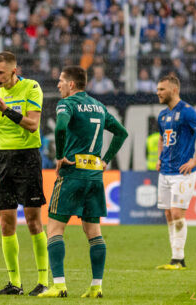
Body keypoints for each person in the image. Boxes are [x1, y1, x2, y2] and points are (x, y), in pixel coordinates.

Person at [38, 66, 128, 298]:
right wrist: (106, 160)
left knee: (55, 229)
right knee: (93, 231)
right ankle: (96, 286)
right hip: (94, 176)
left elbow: (59, 126)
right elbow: (121, 133)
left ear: (72, 84)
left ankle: (58, 285)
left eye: (61, 81)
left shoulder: (67, 104)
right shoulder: (98, 106)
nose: (58, 84)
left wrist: (59, 157)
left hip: (72, 173)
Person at [0, 51, 49, 296]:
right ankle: (15, 284)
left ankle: (43, 282)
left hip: (27, 157)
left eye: (0, 72)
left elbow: (33, 124)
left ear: (14, 71)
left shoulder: (32, 88)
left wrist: (7, 112)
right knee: (6, 223)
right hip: (3, 158)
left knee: (34, 220)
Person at [155, 74, 196, 270]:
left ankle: (178, 259)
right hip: (165, 171)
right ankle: (175, 256)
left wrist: (194, 160)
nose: (158, 93)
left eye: (162, 89)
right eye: (157, 89)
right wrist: (158, 158)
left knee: (177, 212)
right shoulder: (162, 115)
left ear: (174, 90)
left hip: (182, 172)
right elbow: (162, 138)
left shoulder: (187, 112)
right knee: (169, 214)